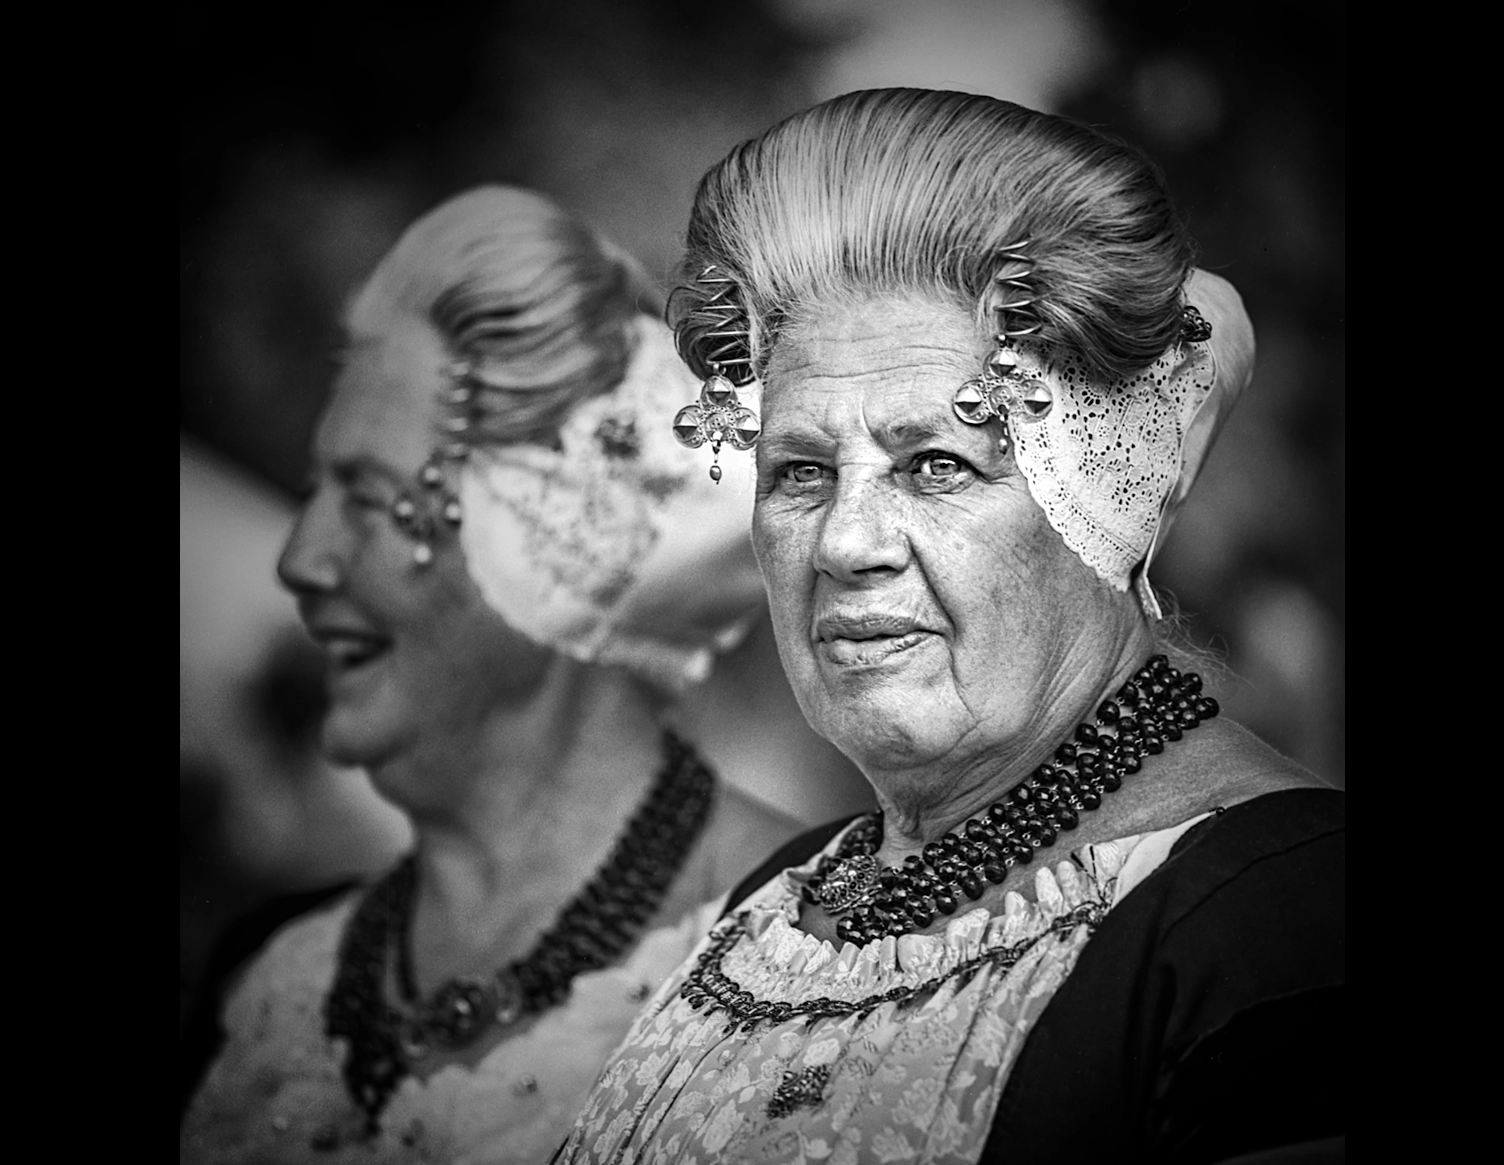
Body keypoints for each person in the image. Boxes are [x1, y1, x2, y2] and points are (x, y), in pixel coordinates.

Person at [554, 89, 1345, 1164]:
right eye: (799, 472)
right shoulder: (774, 906)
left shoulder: (1285, 917)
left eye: (935, 465)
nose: (845, 543)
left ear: (1098, 505)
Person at [181, 185, 807, 1164]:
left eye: (368, 495)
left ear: (548, 545)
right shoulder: (269, 980)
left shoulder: (810, 978)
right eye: (315, 491)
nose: (301, 559)